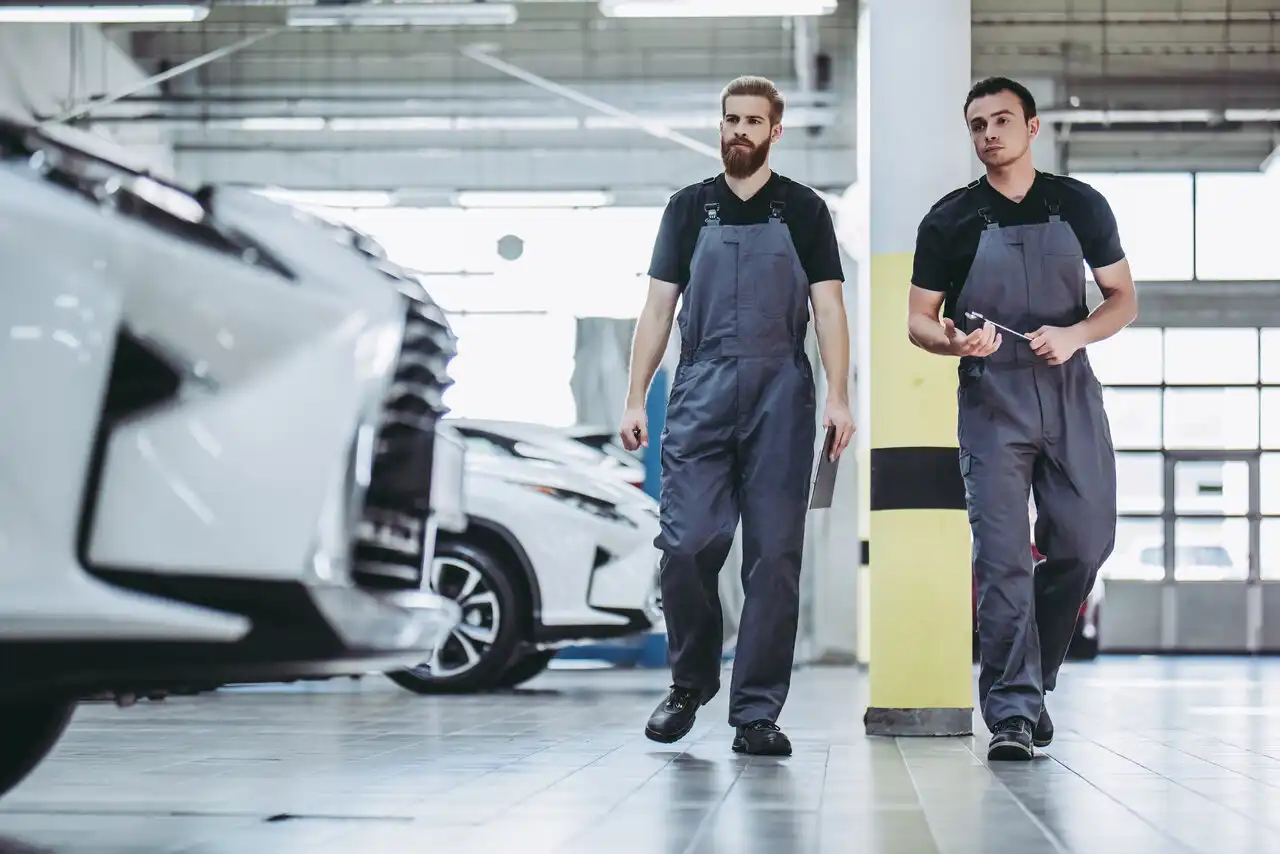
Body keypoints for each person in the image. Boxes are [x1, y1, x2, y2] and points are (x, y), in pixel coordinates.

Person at [618, 75, 854, 757]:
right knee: (687, 544)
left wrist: (839, 394)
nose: (738, 131)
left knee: (774, 560)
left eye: (752, 121)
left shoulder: (804, 209)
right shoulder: (689, 208)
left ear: (775, 131)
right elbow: (659, 307)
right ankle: (691, 681)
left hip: (782, 389)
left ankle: (756, 712)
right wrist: (637, 394)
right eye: (729, 120)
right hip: (701, 389)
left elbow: (829, 307)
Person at [906, 76, 1138, 760]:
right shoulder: (948, 219)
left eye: (1002, 120)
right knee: (1002, 560)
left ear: (1032, 128)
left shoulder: (1080, 205)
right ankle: (1010, 712)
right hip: (991, 401)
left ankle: (1032, 679)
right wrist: (952, 339)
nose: (988, 134)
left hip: (1070, 392)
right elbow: (919, 319)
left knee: (1085, 544)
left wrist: (1077, 335)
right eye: (977, 124)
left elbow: (1123, 299)